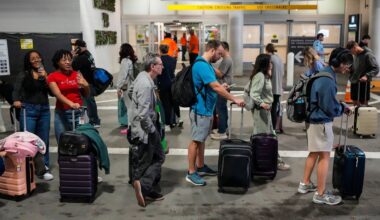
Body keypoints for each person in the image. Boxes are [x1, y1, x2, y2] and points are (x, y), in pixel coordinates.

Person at [297, 47, 353, 206]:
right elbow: (329, 106)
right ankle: (320, 194)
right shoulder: (327, 79)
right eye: (346, 64)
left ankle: (305, 183)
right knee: (325, 156)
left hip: (313, 119)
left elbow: (325, 100)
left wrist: (339, 105)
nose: (347, 68)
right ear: (339, 63)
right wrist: (341, 108)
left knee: (313, 153)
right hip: (321, 122)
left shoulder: (323, 73)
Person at [186, 40, 244, 186]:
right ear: (211, 50)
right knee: (195, 140)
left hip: (205, 110)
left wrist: (221, 85)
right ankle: (191, 172)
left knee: (201, 139)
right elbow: (216, 87)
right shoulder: (201, 65)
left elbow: (212, 85)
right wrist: (234, 98)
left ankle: (201, 166)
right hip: (200, 110)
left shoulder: (206, 65)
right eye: (218, 53)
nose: (219, 56)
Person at [128, 53, 166, 207]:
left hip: (143, 126)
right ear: (153, 67)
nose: (162, 66)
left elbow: (131, 91)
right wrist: (152, 131)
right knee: (158, 157)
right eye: (160, 64)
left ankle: (145, 187)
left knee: (148, 157)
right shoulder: (146, 84)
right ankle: (142, 185)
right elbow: (143, 115)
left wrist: (137, 104)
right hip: (145, 129)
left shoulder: (142, 77)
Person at [12, 50, 53, 181]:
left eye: (38, 58)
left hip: (44, 110)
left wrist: (46, 77)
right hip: (28, 110)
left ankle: (44, 168)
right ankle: (27, 168)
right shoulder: (24, 74)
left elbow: (52, 92)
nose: (36, 60)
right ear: (28, 61)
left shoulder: (44, 74)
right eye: (33, 58)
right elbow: (16, 90)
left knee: (43, 140)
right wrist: (16, 100)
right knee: (28, 141)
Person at [249, 53, 290, 171]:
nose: (272, 64)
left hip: (265, 110)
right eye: (270, 62)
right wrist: (262, 103)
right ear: (265, 64)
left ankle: (262, 159)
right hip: (261, 111)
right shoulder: (260, 76)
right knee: (268, 137)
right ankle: (275, 161)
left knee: (263, 136)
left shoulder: (263, 75)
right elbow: (254, 93)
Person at [47, 49, 90, 143]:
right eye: (64, 60)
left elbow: (86, 94)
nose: (68, 62)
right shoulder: (52, 76)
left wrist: (86, 85)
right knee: (63, 142)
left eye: (70, 60)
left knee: (82, 140)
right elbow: (57, 94)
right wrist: (71, 103)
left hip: (79, 113)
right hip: (62, 113)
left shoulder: (77, 74)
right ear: (57, 62)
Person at [71, 40, 101, 128]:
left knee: (86, 103)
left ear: (79, 48)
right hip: (89, 82)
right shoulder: (88, 54)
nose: (74, 49)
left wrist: (73, 56)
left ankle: (91, 121)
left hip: (86, 83)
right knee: (89, 102)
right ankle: (90, 121)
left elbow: (73, 67)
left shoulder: (82, 57)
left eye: (76, 48)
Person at [210, 41, 233, 140]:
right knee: (222, 108)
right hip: (225, 86)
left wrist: (209, 66)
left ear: (225, 48)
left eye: (220, 50)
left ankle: (222, 132)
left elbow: (220, 74)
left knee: (221, 109)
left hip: (224, 87)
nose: (219, 52)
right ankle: (223, 128)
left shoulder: (226, 60)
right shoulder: (226, 59)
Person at [346, 41, 379, 106]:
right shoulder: (356, 55)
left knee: (363, 104)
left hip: (363, 83)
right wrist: (350, 69)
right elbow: (356, 65)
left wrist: (367, 76)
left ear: (355, 47)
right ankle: (356, 115)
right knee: (355, 102)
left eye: (351, 51)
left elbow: (376, 68)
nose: (352, 53)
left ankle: (363, 115)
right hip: (354, 81)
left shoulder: (368, 55)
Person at [116, 43, 138, 135]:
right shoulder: (132, 60)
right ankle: (134, 126)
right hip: (135, 86)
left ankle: (130, 128)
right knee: (133, 107)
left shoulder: (125, 61)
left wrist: (118, 88)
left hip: (128, 88)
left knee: (130, 108)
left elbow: (122, 76)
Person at [158, 44, 177, 132]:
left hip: (162, 84)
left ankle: (167, 124)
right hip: (172, 83)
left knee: (165, 104)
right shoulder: (173, 60)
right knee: (172, 103)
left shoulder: (159, 60)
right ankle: (173, 121)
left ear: (160, 50)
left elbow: (159, 74)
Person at [265, 43, 284, 134]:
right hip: (279, 87)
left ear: (267, 50)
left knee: (269, 108)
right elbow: (283, 73)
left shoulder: (269, 58)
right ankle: (274, 128)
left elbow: (269, 74)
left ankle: (270, 128)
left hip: (271, 87)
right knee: (275, 108)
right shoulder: (279, 59)